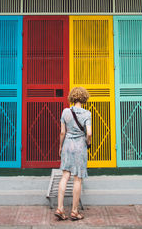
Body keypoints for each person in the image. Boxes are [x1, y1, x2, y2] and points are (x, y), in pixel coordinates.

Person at [54, 87, 92, 221]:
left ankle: (60, 208)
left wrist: (60, 146)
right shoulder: (87, 114)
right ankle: (74, 211)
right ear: (84, 98)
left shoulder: (65, 112)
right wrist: (88, 143)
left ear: (72, 97)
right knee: (78, 178)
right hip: (80, 147)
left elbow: (62, 132)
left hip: (67, 145)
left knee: (65, 176)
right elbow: (89, 133)